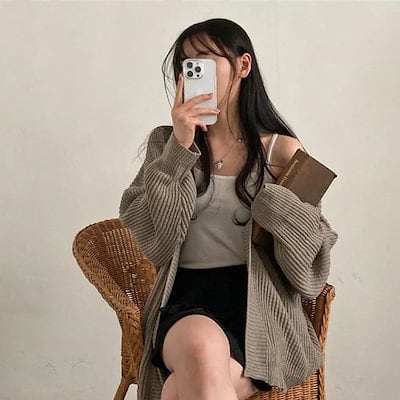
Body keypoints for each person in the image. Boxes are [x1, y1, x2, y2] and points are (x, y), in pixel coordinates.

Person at [119, 18, 338, 400]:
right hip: (185, 298)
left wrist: (274, 204)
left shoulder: (284, 152)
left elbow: (309, 273)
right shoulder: (166, 145)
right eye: (186, 63)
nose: (193, 71)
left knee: (180, 389)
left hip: (261, 307)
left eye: (204, 59)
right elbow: (158, 244)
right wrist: (178, 150)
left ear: (243, 65)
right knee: (201, 349)